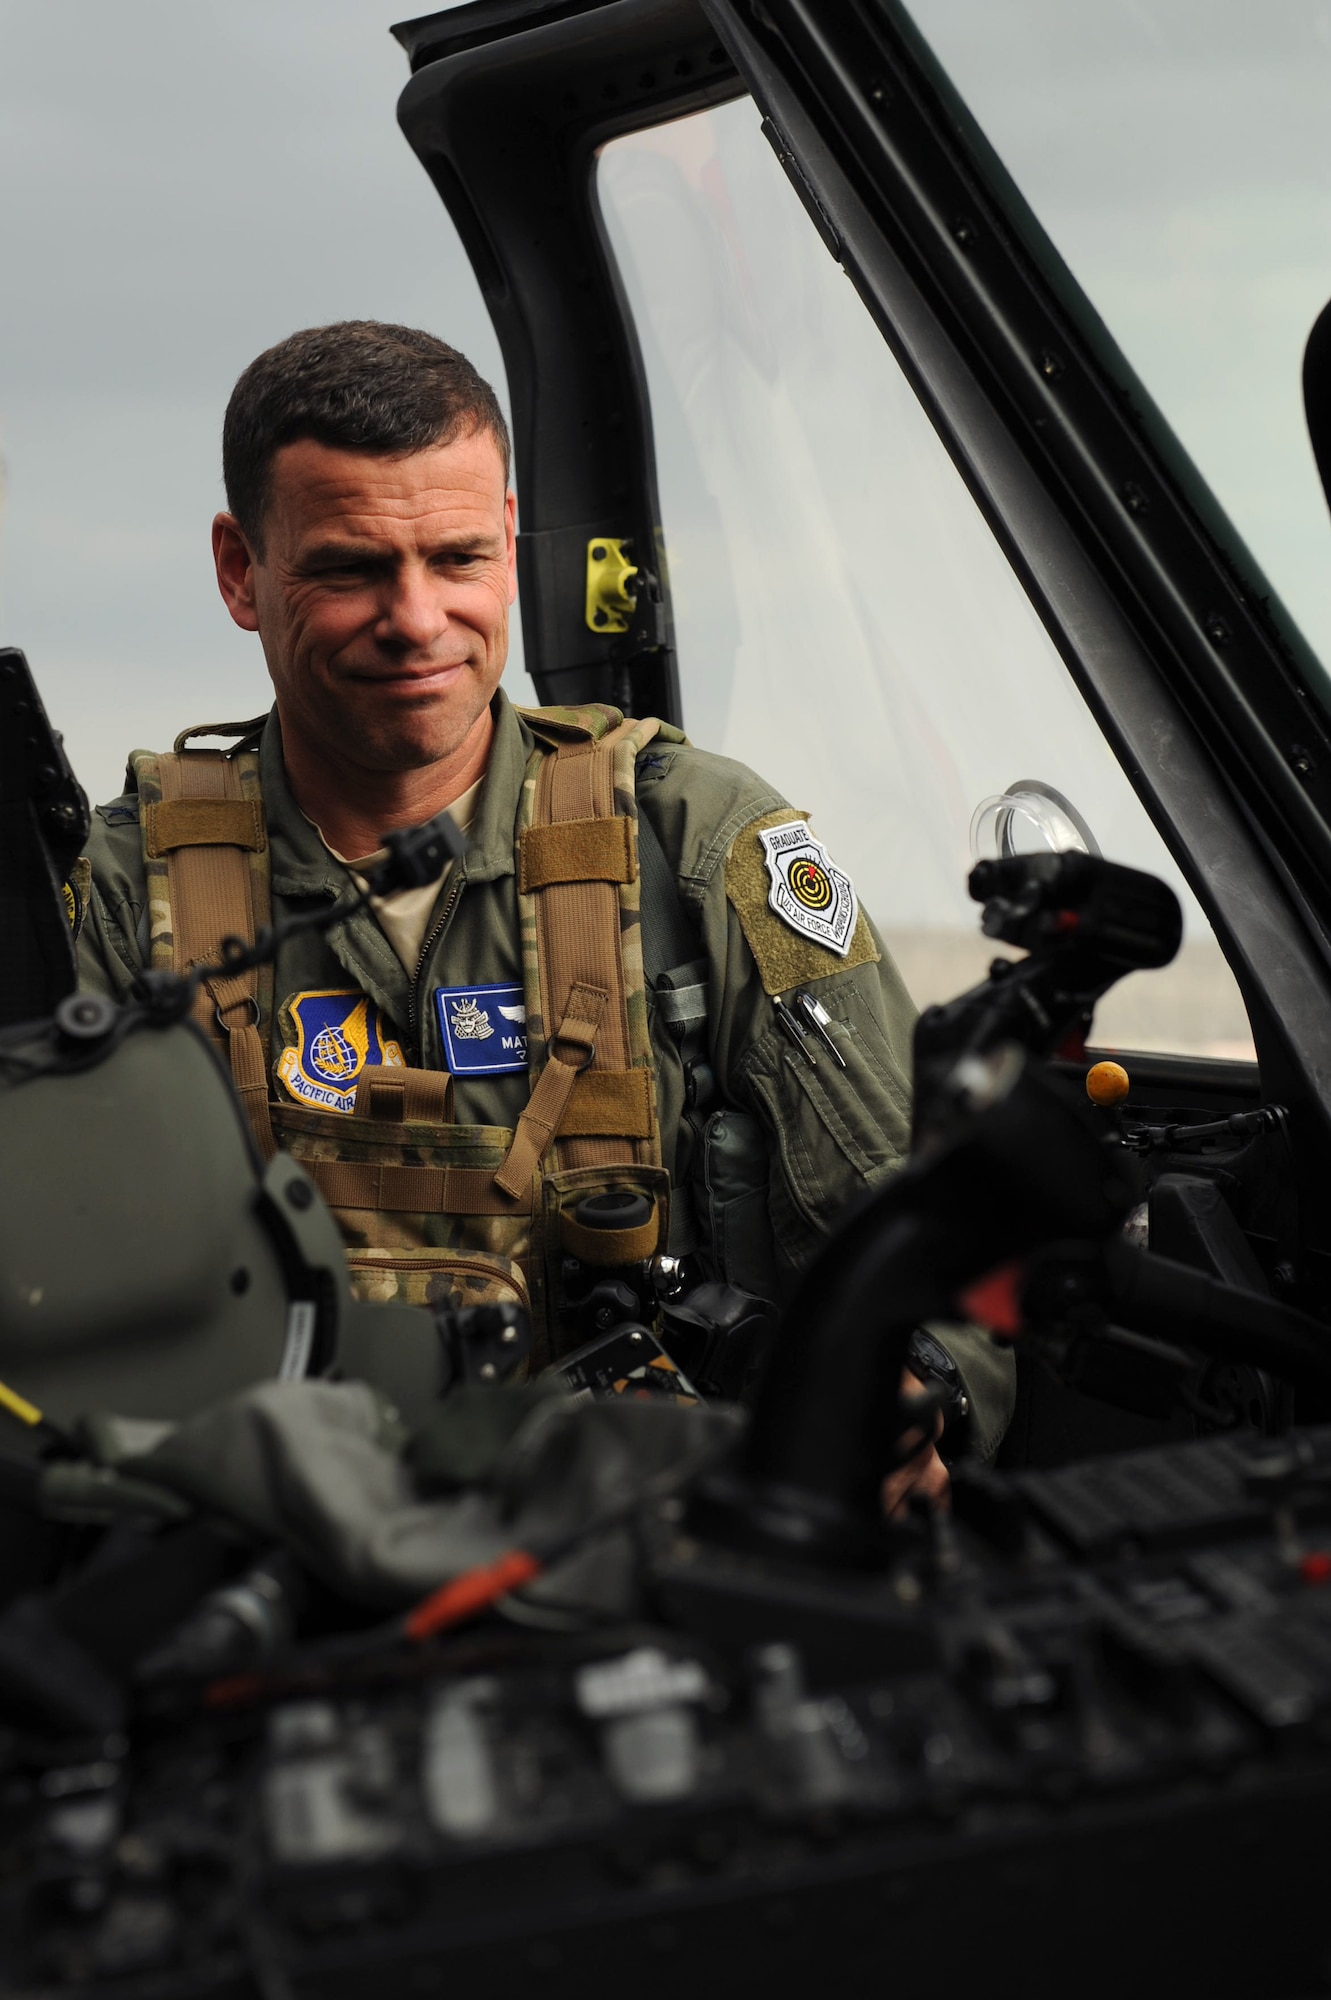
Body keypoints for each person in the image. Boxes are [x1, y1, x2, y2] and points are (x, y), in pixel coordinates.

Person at [76, 321, 1014, 1505]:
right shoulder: (117, 891)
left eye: (458, 557)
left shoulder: (696, 842)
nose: (416, 619)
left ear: (510, 544)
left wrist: (909, 1392)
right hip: (257, 1551)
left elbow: (913, 1221)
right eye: (352, 567)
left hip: (657, 1544)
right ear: (238, 569)